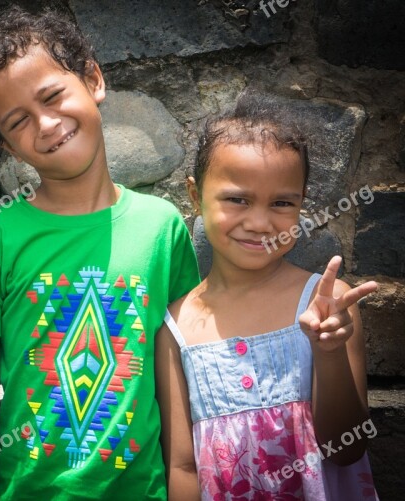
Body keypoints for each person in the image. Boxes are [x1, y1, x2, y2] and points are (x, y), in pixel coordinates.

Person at [0, 7, 200, 500]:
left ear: (93, 78)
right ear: (8, 146)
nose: (46, 123)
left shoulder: (163, 228)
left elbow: (179, 384)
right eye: (18, 121)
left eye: (53, 96)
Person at [156, 95, 379, 500]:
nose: (260, 223)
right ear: (194, 195)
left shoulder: (328, 306)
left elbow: (347, 449)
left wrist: (329, 352)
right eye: (237, 199)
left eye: (281, 203)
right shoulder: (176, 329)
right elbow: (182, 466)